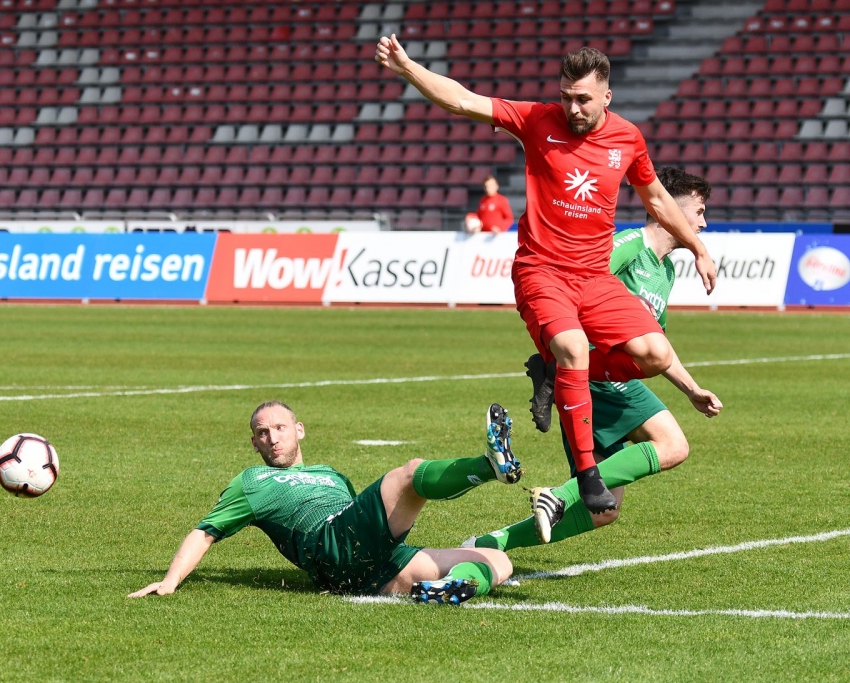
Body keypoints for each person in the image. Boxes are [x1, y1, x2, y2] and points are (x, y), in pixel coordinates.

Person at [375, 37, 717, 514]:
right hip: (543, 271)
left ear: (607, 97)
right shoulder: (537, 120)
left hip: (594, 278)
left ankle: (555, 373)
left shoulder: (628, 139)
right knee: (574, 346)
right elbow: (463, 100)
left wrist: (699, 249)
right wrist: (409, 68)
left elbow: (658, 199)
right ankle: (587, 472)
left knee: (656, 354)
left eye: (583, 99)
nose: (572, 108)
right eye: (565, 96)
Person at [465, 167, 723, 551]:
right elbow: (577, 285)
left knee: (604, 510)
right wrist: (564, 349)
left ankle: (487, 544)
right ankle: (558, 492)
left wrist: (691, 389)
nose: (703, 223)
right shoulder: (629, 245)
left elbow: (657, 347)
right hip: (593, 374)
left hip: (610, 377)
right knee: (673, 445)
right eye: (699, 211)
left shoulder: (665, 271)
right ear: (668, 207)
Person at [129, 401, 521, 605]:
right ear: (253, 443)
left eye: (279, 428)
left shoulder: (331, 474)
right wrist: (170, 581)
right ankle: (488, 466)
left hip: (363, 567)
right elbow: (205, 532)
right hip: (328, 543)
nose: (272, 438)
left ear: (298, 430)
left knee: (497, 561)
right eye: (262, 433)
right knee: (409, 474)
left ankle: (441, 590)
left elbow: (360, 516)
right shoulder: (253, 481)